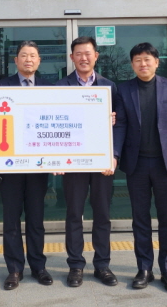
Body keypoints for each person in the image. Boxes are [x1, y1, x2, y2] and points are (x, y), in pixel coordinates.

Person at [112, 43, 167, 293]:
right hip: (136, 164)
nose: (142, 64)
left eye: (147, 59)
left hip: (165, 163)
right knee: (140, 219)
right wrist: (115, 154)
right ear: (132, 64)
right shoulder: (124, 89)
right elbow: (120, 125)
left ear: (157, 62)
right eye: (137, 60)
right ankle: (144, 268)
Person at [55, 36, 118, 287]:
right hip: (73, 162)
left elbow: (120, 125)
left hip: (101, 162)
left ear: (96, 56)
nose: (84, 58)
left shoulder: (109, 87)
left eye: (88, 53)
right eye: (78, 53)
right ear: (72, 57)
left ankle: (102, 265)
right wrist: (57, 159)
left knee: (103, 214)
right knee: (74, 214)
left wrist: (113, 155)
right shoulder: (60, 86)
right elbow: (55, 123)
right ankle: (76, 266)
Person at [0, 41, 53, 290]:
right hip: (10, 165)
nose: (28, 59)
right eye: (23, 55)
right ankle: (14, 269)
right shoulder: (1, 87)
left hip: (38, 165)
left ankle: (39, 266)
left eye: (33, 56)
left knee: (36, 218)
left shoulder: (50, 88)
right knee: (11, 219)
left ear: (39, 61)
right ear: (16, 60)